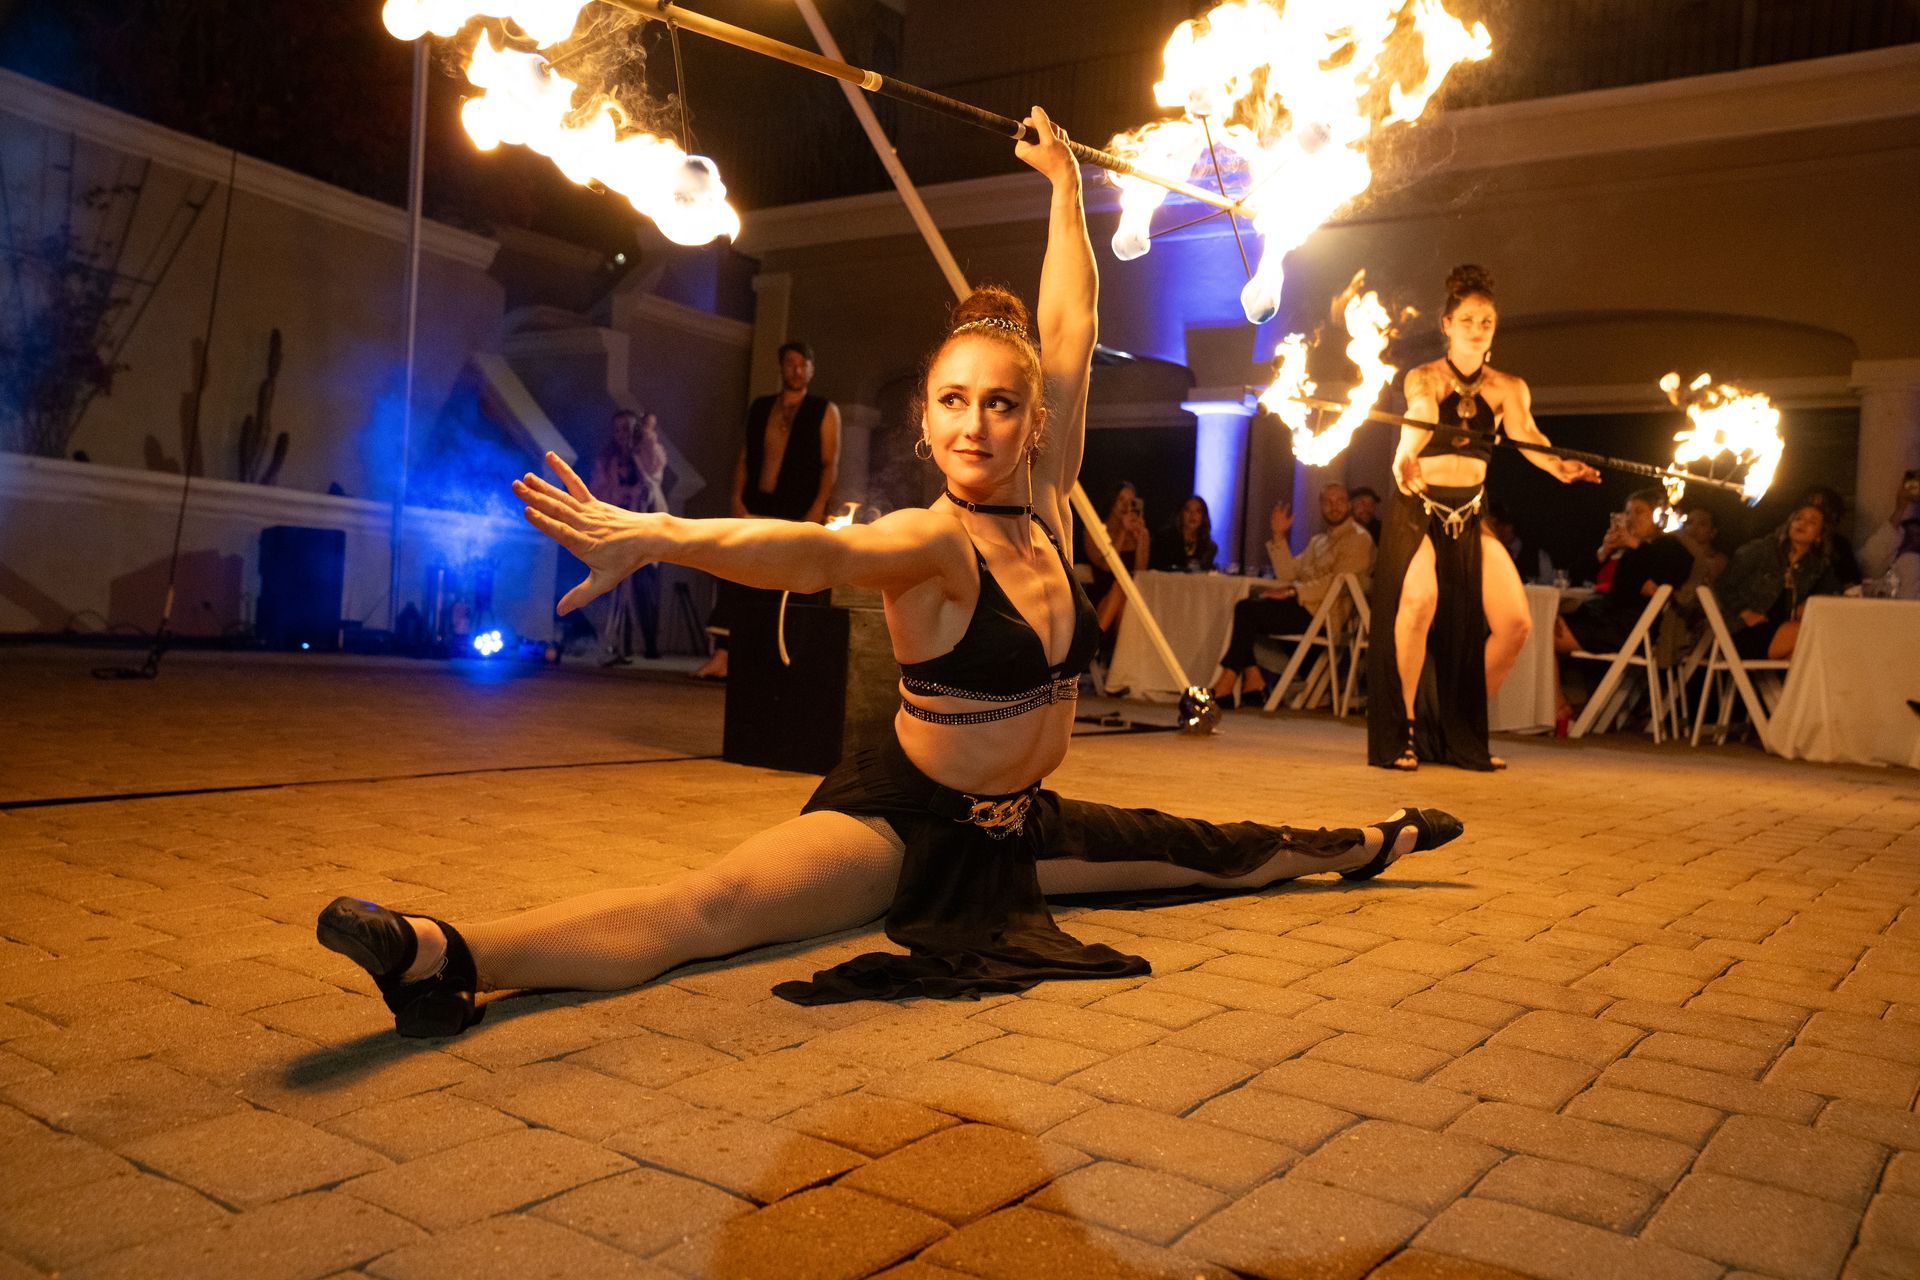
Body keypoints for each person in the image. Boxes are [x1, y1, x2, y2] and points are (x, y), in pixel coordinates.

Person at [316, 108, 1462, 1037]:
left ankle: (1380, 838)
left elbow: (1072, 316)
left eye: (1001, 403)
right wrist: (658, 534)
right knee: (711, 907)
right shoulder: (930, 536)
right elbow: (811, 549)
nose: (976, 424)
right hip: (904, 820)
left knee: (1221, 855)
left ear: (1032, 419)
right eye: (953, 402)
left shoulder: (1054, 494)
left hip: (1022, 827)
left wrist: (1066, 191)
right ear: (928, 417)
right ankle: (442, 949)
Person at [1367, 265, 1601, 772]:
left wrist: (1559, 467)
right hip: (1420, 507)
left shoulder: (1508, 387)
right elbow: (1422, 415)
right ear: (1447, 324)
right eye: (1468, 319)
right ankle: (1405, 729)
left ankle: (1456, 727)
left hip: (1471, 514)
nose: (1477, 329)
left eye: (1487, 322)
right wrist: (1404, 456)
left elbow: (1527, 437)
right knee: (1419, 601)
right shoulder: (1424, 377)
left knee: (1516, 622)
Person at [690, 340, 843, 680]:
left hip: (797, 508)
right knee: (735, 572)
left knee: (782, 581)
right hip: (758, 503)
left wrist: (817, 508)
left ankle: (772, 661)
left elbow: (829, 464)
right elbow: (745, 457)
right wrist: (737, 497)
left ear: (811, 369)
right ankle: (723, 656)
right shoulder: (762, 408)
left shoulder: (823, 410)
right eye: (790, 363)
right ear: (782, 368)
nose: (796, 369)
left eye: (802, 364)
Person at [1210, 485, 1375, 708]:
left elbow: (1339, 583)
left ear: (1349, 504)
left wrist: (1293, 591)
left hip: (1325, 618)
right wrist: (1279, 535)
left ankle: (1228, 684)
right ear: (1321, 506)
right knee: (1247, 607)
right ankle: (1251, 682)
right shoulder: (1318, 541)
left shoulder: (1359, 539)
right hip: (1305, 611)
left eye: (1339, 500)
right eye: (1328, 501)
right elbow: (1288, 573)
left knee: (1247, 611)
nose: (1334, 506)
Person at [1556, 489, 1694, 655]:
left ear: (1657, 516)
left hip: (1628, 630)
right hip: (1602, 619)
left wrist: (1635, 544)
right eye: (1627, 513)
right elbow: (1574, 576)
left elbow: (1652, 581)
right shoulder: (1629, 551)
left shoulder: (1668, 546)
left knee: (1542, 636)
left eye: (1639, 512)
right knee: (1540, 626)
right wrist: (1604, 550)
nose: (1631, 518)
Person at [588, 409, 666, 663]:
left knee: (645, 586)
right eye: (619, 429)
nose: (624, 434)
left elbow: (655, 470)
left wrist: (648, 435)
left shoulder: (646, 453)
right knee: (617, 588)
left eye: (629, 428)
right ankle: (619, 644)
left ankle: (649, 643)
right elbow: (597, 492)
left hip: (645, 526)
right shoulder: (606, 460)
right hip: (617, 527)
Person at [1716, 503, 1841, 659]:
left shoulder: (1815, 566)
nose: (1802, 523)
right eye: (1798, 518)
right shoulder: (1761, 550)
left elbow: (1831, 595)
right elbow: (1723, 585)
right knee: (1812, 635)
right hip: (1742, 629)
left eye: (1812, 522)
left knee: (1815, 646)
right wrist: (1746, 613)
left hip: (1778, 631)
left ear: (1819, 536)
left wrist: (1804, 606)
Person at [1086, 481, 1150, 658]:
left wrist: (1140, 540)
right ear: (1112, 500)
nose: (1125, 506)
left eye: (1130, 501)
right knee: (1121, 586)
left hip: (1132, 599)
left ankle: (1106, 653)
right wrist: (1122, 531)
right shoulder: (1095, 529)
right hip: (1102, 597)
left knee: (1126, 589)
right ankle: (1105, 649)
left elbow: (1140, 574)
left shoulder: (1140, 533)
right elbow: (1107, 566)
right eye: (1120, 499)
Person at [1860, 473, 1920, 599]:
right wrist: (1900, 508)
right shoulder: (1888, 564)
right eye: (1912, 535)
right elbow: (1870, 562)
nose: (1915, 539)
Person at [1149, 495, 1217, 572]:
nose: (1193, 515)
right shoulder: (1164, 539)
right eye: (1188, 510)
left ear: (1203, 517)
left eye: (1198, 511)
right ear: (1180, 514)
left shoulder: (1209, 547)